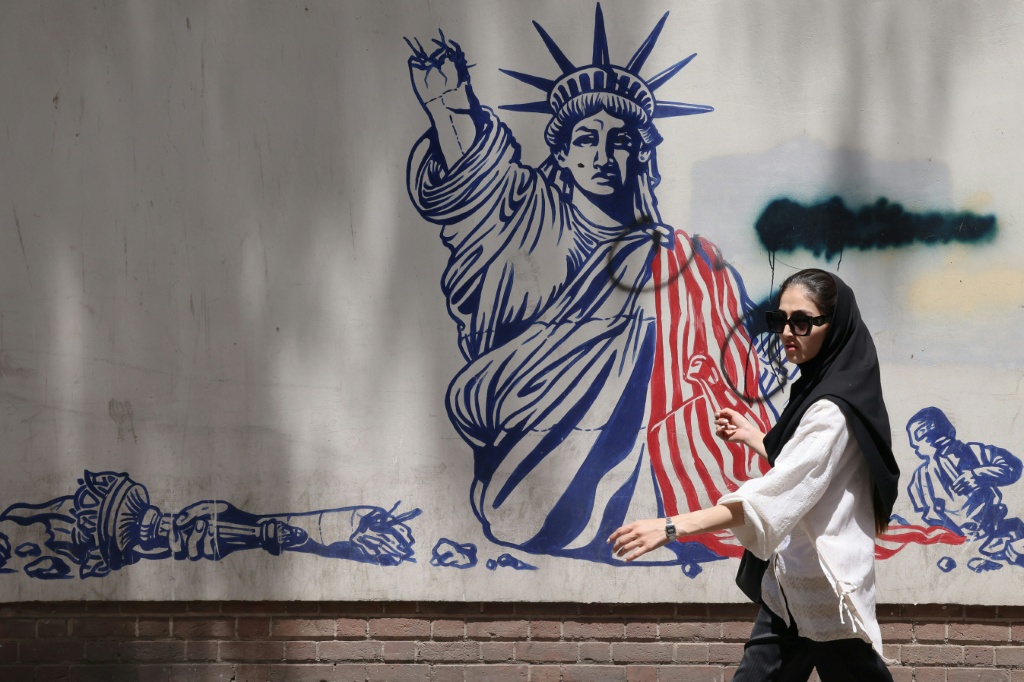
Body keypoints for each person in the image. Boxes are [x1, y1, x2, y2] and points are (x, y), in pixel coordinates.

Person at [406, 7, 775, 567]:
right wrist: (449, 105)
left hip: (666, 457)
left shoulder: (687, 258)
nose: (602, 156)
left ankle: (664, 508)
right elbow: (476, 184)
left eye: (619, 140)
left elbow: (738, 354)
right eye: (586, 139)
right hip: (530, 444)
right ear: (562, 151)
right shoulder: (528, 218)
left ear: (640, 152)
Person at [610, 268, 898, 680]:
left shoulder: (831, 410)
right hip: (790, 587)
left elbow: (774, 496)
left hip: (826, 594)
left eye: (802, 321)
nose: (787, 332)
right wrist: (752, 436)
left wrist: (672, 527)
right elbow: (804, 465)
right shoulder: (822, 389)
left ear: (834, 326)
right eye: (780, 320)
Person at [906, 407, 1023, 550]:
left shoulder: (975, 451)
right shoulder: (920, 478)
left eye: (920, 435)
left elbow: (1014, 467)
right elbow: (926, 516)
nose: (914, 444)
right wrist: (957, 534)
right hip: (957, 543)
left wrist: (978, 475)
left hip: (996, 530)